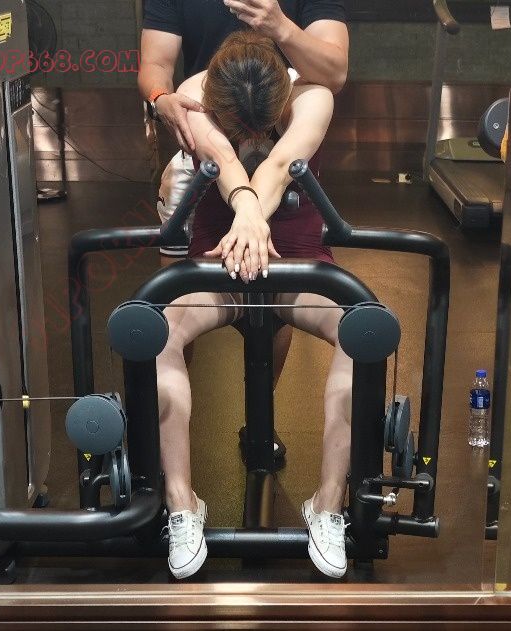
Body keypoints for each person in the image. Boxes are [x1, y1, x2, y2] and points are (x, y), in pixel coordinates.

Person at [157, 31, 351, 580]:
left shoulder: (313, 96)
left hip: (295, 265)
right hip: (217, 265)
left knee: (362, 333)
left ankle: (328, 505)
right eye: (238, 126)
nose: (250, 137)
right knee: (158, 332)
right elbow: (222, 158)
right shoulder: (195, 92)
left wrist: (249, 217)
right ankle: (181, 503)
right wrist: (244, 213)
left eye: (259, 128)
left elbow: (281, 162)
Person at [138, 0, 350, 383]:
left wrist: (280, 25)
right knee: (168, 303)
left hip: (274, 121)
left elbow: (334, 73)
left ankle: (263, 405)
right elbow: (156, 65)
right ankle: (174, 382)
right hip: (208, 126)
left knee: (286, 287)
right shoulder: (197, 94)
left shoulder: (306, 100)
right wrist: (160, 97)